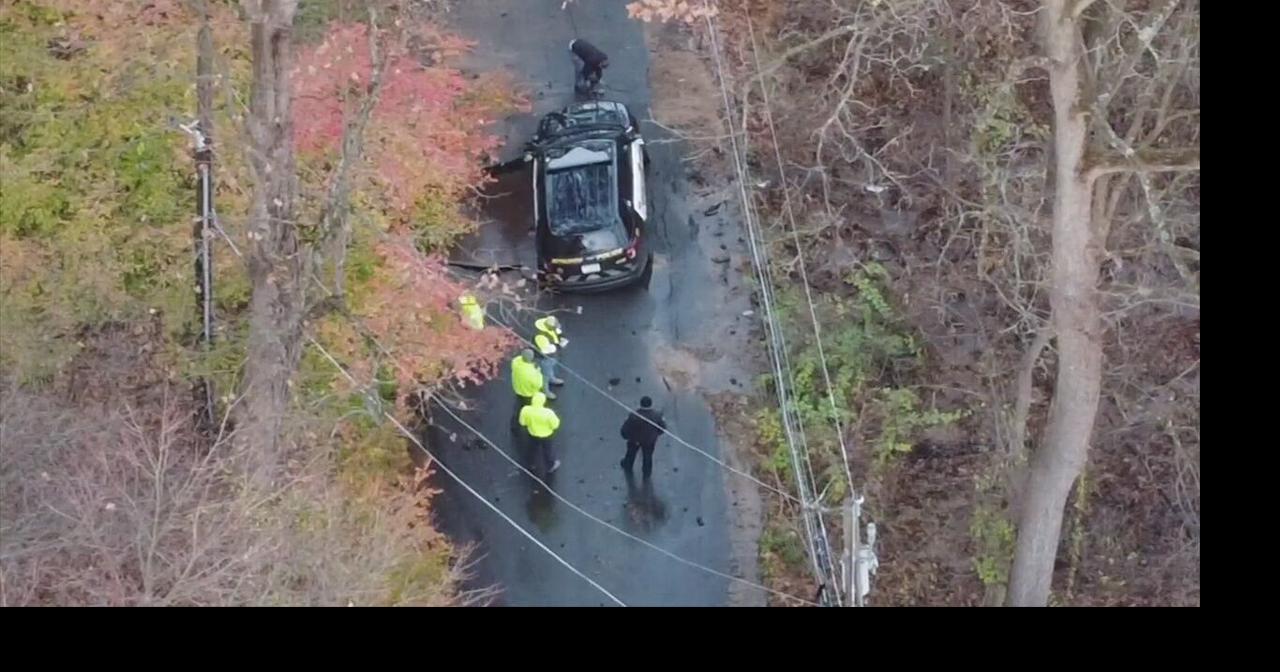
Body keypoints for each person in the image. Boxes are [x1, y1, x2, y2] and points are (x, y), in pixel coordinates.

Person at [619, 396, 667, 478]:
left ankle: (628, 465)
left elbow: (626, 427)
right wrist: (656, 435)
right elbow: (662, 427)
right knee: (648, 455)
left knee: (631, 453)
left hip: (635, 440)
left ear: (641, 404)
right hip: (649, 441)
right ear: (650, 404)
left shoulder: (634, 415)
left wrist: (625, 435)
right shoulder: (657, 415)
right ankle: (647, 471)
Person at [519, 392, 561, 475]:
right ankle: (550, 465)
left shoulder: (526, 410)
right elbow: (555, 425)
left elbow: (522, 422)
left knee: (532, 448)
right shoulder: (548, 413)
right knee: (547, 450)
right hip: (546, 435)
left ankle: (531, 463)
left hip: (533, 433)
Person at [533, 315, 567, 399]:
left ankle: (552, 379)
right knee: (545, 375)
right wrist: (558, 345)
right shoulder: (541, 336)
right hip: (544, 358)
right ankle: (545, 390)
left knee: (550, 370)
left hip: (552, 356)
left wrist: (560, 335)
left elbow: (556, 337)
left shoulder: (552, 330)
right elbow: (546, 350)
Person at [510, 349, 544, 432]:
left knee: (518, 409)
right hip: (530, 394)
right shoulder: (533, 373)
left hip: (518, 390)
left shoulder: (515, 363)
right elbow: (539, 384)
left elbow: (518, 358)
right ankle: (530, 424)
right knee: (531, 410)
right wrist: (538, 371)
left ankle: (514, 425)